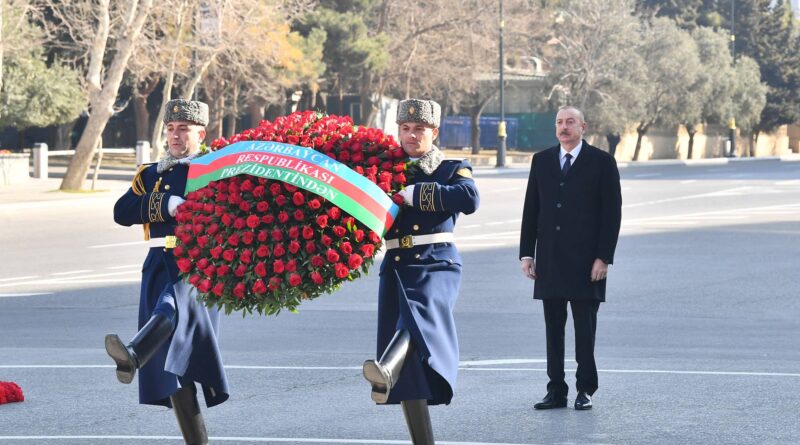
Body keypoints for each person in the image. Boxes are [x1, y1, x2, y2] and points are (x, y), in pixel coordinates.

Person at [106, 99, 228, 444]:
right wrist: (164, 205)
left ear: (200, 133)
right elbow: (122, 210)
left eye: (183, 129)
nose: (175, 136)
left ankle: (133, 353)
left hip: (199, 264)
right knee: (174, 367)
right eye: (171, 129)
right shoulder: (151, 173)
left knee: (172, 308)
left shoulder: (214, 170)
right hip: (158, 263)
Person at [362, 99, 479, 444]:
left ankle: (385, 369)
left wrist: (421, 194)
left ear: (434, 132)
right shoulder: (383, 168)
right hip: (396, 265)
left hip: (436, 261)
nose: (412, 136)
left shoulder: (452, 167)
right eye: (406, 129)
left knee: (415, 319)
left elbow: (469, 198)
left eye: (420, 129)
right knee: (410, 372)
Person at [519, 105, 621, 411]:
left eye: (570, 122)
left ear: (583, 127)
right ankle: (556, 390)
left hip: (586, 263)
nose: (564, 127)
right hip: (549, 260)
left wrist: (603, 258)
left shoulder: (602, 162)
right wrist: (527, 253)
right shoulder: (541, 161)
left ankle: (585, 389)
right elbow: (531, 209)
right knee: (553, 330)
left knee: (584, 330)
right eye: (560, 123)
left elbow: (611, 215)